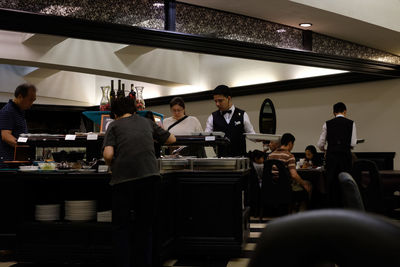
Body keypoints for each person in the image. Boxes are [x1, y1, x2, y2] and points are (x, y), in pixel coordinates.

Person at [102, 96, 176, 267]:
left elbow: (108, 154)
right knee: (145, 226)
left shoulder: (113, 125)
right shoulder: (147, 122)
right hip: (150, 178)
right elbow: (171, 139)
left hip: (123, 180)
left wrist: (110, 165)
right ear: (135, 110)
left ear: (114, 113)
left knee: (121, 227)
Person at [317, 102, 357, 206]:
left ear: (334, 112)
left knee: (332, 183)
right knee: (345, 182)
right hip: (345, 157)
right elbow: (353, 143)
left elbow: (320, 144)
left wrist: (325, 150)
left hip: (332, 157)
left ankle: (332, 209)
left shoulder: (327, 123)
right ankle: (346, 208)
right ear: (345, 111)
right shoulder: (351, 123)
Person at [205, 85, 255, 156]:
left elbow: (251, 134)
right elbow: (206, 137)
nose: (217, 104)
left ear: (228, 98)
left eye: (220, 100)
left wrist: (262, 139)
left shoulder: (242, 114)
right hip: (221, 160)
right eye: (215, 101)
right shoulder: (212, 117)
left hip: (240, 159)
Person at [267, 133, 312, 210]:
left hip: (270, 187)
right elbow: (294, 175)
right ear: (290, 143)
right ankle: (302, 214)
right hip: (285, 188)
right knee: (308, 185)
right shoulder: (289, 156)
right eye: (293, 144)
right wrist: (304, 183)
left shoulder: (270, 155)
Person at [0, 83, 36, 165]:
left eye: (33, 100)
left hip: (17, 160)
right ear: (20, 97)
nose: (32, 103)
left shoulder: (19, 111)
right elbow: (5, 135)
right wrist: (24, 147)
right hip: (8, 162)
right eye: (30, 99)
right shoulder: (8, 111)